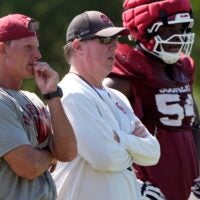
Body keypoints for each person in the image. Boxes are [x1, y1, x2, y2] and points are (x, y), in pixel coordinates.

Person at [52, 10, 161, 200]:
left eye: (115, 39)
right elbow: (105, 158)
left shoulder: (118, 97)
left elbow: (153, 152)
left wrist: (119, 139)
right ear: (78, 47)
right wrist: (133, 148)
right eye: (104, 40)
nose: (114, 46)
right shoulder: (71, 94)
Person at [104, 0, 200, 199]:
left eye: (181, 28)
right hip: (149, 188)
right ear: (143, 30)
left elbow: (194, 126)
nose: (177, 38)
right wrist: (132, 182)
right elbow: (101, 138)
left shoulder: (182, 69)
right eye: (167, 30)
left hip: (187, 186)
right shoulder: (124, 77)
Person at [0, 13, 77, 200]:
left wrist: (52, 95)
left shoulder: (33, 99)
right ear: (2, 49)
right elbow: (29, 166)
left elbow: (68, 152)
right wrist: (51, 154)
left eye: (37, 48)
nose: (38, 55)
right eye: (28, 48)